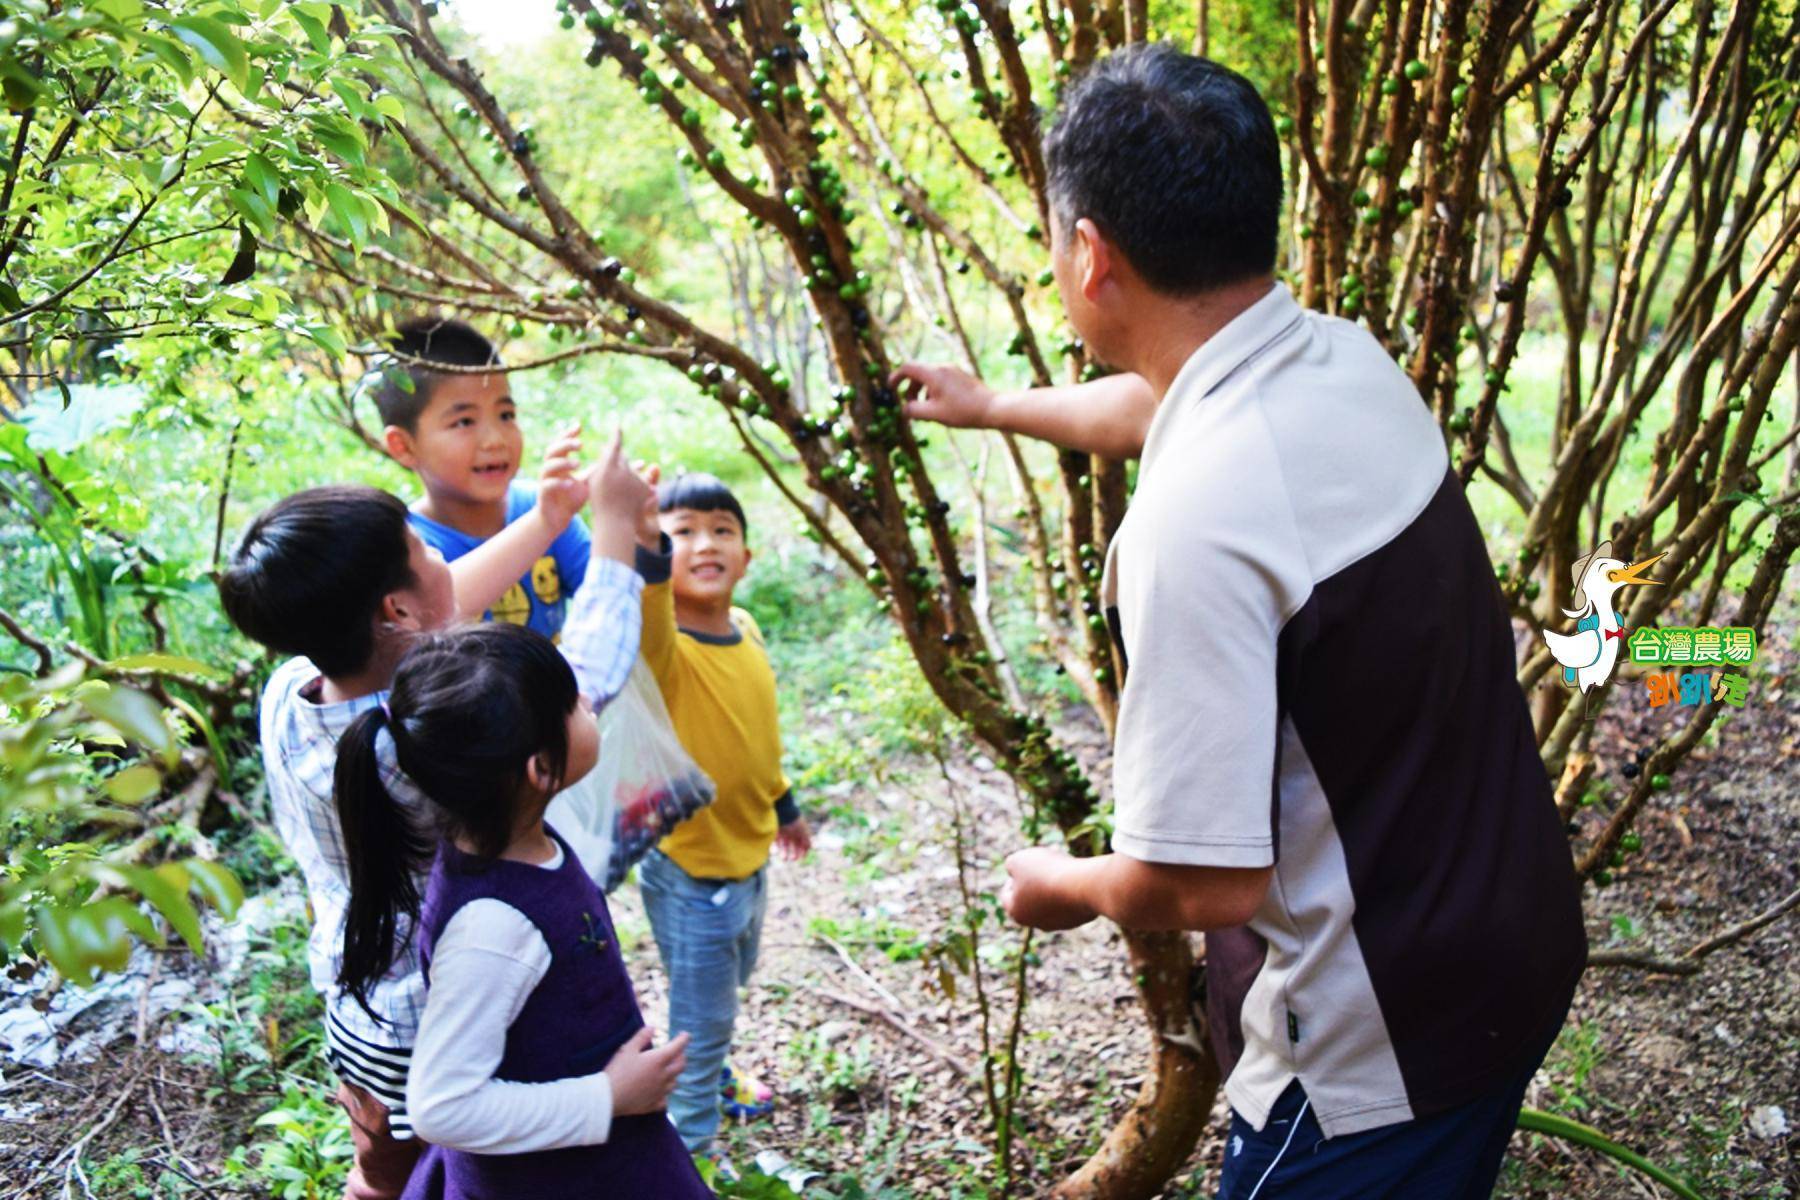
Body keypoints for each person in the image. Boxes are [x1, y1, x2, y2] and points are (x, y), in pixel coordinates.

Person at [894, 45, 1586, 1199]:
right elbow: (1163, 401)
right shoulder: (1342, 361)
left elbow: (1199, 883)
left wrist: (1056, 884)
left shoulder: (1196, 524)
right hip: (1505, 940)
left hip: (1377, 1048)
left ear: (1089, 254)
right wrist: (994, 407)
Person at [216, 440, 651, 1200]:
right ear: (393, 608)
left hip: (358, 1017)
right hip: (452, 1027)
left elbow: (438, 611)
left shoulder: (291, 692)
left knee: (380, 1179)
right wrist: (613, 529)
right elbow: (584, 677)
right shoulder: (434, 756)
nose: (437, 550)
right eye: (421, 544)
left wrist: (548, 520)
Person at [332, 623, 712, 1199]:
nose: (587, 701)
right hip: (559, 1177)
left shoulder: (520, 841)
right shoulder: (493, 926)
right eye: (571, 702)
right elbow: (442, 1106)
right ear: (539, 768)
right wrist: (606, 1097)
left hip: (598, 1155)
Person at [628, 470, 811, 1155]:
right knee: (699, 1023)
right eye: (682, 533)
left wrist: (784, 804)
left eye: (722, 529)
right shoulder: (666, 651)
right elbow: (647, 602)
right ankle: (691, 1156)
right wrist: (640, 535)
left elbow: (757, 735)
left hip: (750, 858)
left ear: (747, 554)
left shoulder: (745, 627)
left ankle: (715, 1070)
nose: (705, 543)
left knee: (722, 992)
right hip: (692, 872)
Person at [372, 316, 591, 639]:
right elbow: (435, 614)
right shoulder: (407, 546)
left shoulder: (539, 504)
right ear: (404, 446)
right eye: (464, 422)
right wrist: (543, 524)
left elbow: (608, 591)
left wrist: (632, 532)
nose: (495, 440)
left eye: (506, 415)